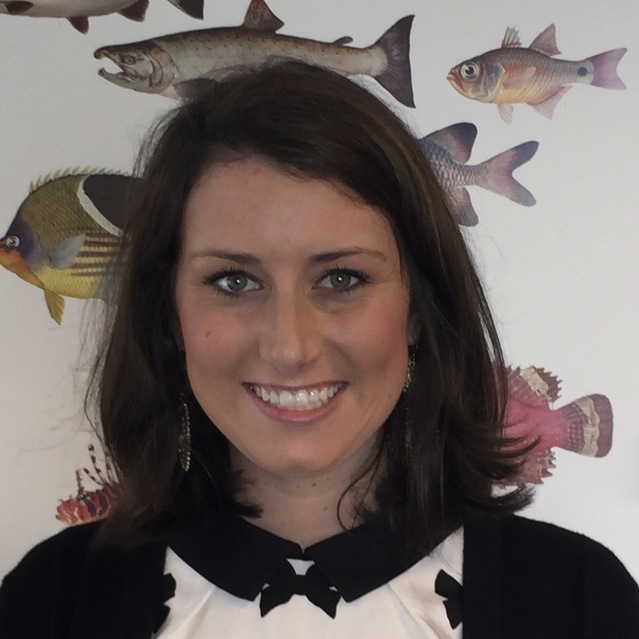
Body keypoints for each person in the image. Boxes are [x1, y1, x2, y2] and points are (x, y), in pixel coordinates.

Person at [0, 61, 637, 638]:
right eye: (234, 281)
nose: (289, 347)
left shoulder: (582, 601)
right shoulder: (50, 602)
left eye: (341, 279)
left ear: (418, 310)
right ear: (169, 314)